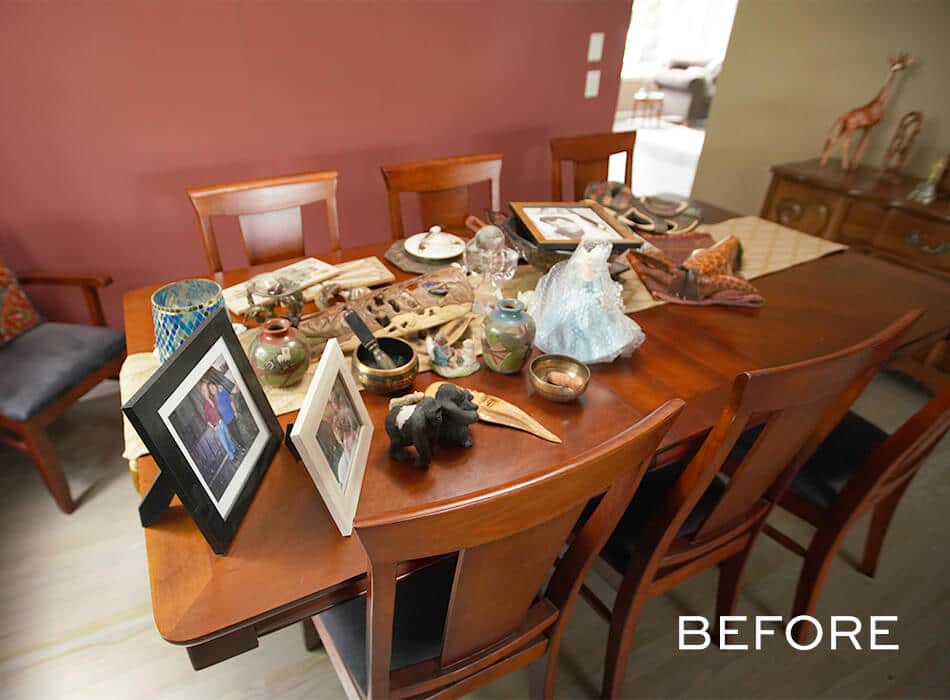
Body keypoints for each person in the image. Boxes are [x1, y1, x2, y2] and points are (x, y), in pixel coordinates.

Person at [201, 382, 236, 463]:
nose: (205, 392)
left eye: (206, 390)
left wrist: (221, 388)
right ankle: (232, 457)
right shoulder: (205, 405)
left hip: (222, 422)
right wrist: (213, 427)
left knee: (228, 437)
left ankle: (234, 451)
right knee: (224, 443)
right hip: (217, 426)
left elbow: (219, 394)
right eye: (204, 391)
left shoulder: (213, 398)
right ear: (202, 393)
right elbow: (207, 420)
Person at [212, 380, 244, 454]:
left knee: (237, 432)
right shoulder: (213, 399)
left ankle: (243, 446)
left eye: (213, 387)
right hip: (225, 421)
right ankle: (240, 445)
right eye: (210, 389)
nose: (212, 389)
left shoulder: (222, 392)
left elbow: (230, 401)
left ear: (215, 386)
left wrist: (235, 411)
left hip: (231, 415)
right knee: (232, 434)